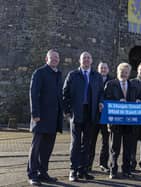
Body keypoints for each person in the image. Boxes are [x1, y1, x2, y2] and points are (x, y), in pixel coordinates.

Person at [63, 51, 104, 182]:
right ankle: (73, 170)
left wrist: (101, 102)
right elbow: (65, 94)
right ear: (80, 61)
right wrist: (67, 111)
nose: (86, 60)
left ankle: (84, 170)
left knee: (87, 143)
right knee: (75, 143)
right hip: (77, 112)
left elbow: (101, 93)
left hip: (91, 113)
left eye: (88, 58)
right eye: (84, 58)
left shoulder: (96, 76)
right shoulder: (73, 75)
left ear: (92, 61)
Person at [27, 49, 63, 186]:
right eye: (52, 57)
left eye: (57, 57)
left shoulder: (58, 74)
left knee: (47, 148)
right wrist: (35, 114)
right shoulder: (39, 73)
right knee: (36, 148)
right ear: (46, 59)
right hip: (40, 118)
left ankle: (43, 172)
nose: (55, 59)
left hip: (53, 118)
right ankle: (32, 174)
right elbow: (33, 94)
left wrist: (62, 112)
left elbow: (59, 96)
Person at [104, 62, 141, 179]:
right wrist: (116, 102)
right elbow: (105, 99)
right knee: (114, 148)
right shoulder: (110, 84)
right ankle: (113, 170)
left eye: (126, 72)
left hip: (130, 122)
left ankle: (126, 170)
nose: (124, 74)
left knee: (128, 148)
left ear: (129, 73)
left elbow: (139, 96)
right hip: (116, 121)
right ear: (117, 72)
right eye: (122, 72)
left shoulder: (133, 85)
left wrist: (138, 100)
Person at [88, 62, 112, 173]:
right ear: (98, 69)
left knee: (106, 142)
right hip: (94, 115)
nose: (103, 69)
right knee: (91, 141)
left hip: (106, 116)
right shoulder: (92, 79)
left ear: (108, 69)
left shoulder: (113, 81)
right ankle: (88, 164)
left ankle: (103, 164)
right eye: (101, 68)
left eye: (105, 67)